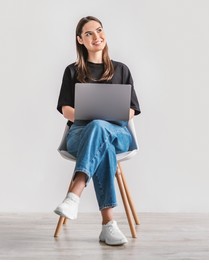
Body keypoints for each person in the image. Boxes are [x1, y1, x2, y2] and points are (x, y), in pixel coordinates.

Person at [55, 16, 141, 246]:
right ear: (80, 40)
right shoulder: (72, 72)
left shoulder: (121, 70)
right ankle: (108, 226)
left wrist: (105, 118)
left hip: (118, 132)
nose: (96, 37)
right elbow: (66, 110)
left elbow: (132, 109)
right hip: (80, 134)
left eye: (99, 31)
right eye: (89, 34)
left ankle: (75, 194)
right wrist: (92, 117)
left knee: (101, 128)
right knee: (100, 136)